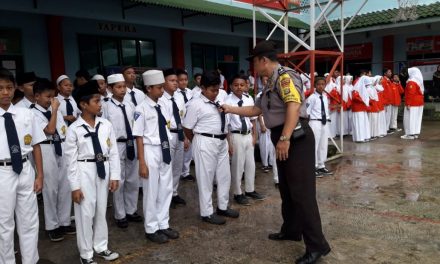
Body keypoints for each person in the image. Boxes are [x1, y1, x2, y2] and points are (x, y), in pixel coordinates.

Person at [222, 41, 330, 264]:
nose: (253, 67)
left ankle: (317, 246)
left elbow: (293, 106)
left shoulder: (285, 77)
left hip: (295, 138)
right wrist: (230, 108)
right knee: (287, 189)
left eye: (254, 61)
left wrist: (284, 138)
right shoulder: (269, 83)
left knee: (302, 194)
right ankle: (291, 230)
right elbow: (256, 109)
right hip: (284, 136)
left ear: (263, 60)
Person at [64, 80, 120, 263]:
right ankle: (86, 254)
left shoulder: (106, 125)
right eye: (96, 101)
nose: (100, 104)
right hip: (84, 170)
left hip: (102, 168)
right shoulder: (74, 130)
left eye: (100, 100)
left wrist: (114, 176)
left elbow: (113, 152)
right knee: (85, 214)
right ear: (83, 104)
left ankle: (101, 246)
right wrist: (75, 186)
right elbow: (70, 161)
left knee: (101, 210)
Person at [0, 68, 45, 264]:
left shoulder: (26, 114)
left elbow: (36, 146)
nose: (5, 92)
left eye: (9, 87)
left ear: (14, 89)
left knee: (29, 221)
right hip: (2, 172)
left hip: (26, 169)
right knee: (5, 224)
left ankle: (30, 260)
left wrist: (40, 175)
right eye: (0, 88)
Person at [183, 70, 239, 225]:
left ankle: (222, 206)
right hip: (204, 141)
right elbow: (187, 127)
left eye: (217, 89)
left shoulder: (219, 99)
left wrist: (228, 142)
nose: (216, 93)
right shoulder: (195, 104)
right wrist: (197, 141)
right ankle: (207, 212)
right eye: (212, 90)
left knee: (224, 176)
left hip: (221, 141)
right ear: (203, 88)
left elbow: (226, 123)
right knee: (205, 178)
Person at [133, 70, 179, 244]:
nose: (162, 90)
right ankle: (151, 228)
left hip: (164, 149)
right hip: (149, 149)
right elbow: (138, 136)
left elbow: (166, 127)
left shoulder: (164, 105)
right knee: (151, 191)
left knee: (166, 188)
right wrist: (142, 162)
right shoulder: (141, 109)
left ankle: (163, 223)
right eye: (159, 87)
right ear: (148, 88)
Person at [31, 79, 75, 242]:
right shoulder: (33, 113)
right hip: (45, 148)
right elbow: (49, 130)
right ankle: (52, 225)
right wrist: (55, 110)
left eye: (53, 96)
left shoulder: (53, 109)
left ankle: (64, 222)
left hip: (61, 147)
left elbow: (62, 131)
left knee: (64, 187)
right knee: (51, 189)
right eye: (48, 96)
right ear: (37, 96)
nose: (51, 100)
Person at [102, 74, 141, 229]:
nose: (122, 89)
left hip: (131, 143)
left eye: (124, 86)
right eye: (118, 87)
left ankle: (131, 210)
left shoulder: (130, 104)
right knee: (119, 179)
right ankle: (120, 214)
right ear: (110, 89)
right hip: (116, 145)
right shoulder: (106, 106)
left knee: (132, 179)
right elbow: (103, 128)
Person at [225, 74, 264, 206]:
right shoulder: (227, 101)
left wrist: (255, 135)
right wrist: (229, 143)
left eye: (242, 85)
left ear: (246, 86)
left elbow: (253, 119)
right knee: (237, 166)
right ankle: (237, 193)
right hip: (236, 135)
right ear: (231, 86)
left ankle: (250, 189)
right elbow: (227, 125)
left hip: (248, 135)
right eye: (236, 85)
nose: (239, 87)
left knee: (250, 164)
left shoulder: (249, 99)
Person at [158, 68, 188, 207]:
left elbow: (183, 117)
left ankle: (174, 193)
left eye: (176, 81)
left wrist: (185, 136)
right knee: (167, 168)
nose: (175, 83)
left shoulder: (179, 97)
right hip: (167, 134)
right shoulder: (160, 98)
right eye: (171, 81)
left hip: (179, 133)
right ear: (163, 82)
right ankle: (165, 196)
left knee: (177, 166)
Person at [307, 77, 333, 178]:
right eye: (318, 84)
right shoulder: (312, 98)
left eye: (323, 84)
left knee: (323, 144)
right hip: (315, 122)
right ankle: (313, 166)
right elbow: (307, 112)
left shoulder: (325, 97)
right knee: (314, 145)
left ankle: (321, 165)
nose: (321, 86)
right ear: (315, 86)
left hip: (324, 122)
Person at [176, 69, 195, 182]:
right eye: (181, 80)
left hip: (191, 123)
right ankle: (178, 173)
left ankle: (186, 172)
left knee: (189, 150)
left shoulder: (190, 92)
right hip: (181, 123)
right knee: (182, 149)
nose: (183, 82)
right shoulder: (176, 94)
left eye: (185, 80)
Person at [401, 67, 424, 140]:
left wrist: (408, 103)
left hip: (413, 103)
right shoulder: (419, 81)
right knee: (416, 118)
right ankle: (415, 133)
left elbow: (411, 93)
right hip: (419, 103)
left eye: (408, 73)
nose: (407, 74)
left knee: (409, 118)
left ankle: (410, 134)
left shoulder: (411, 82)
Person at [351, 76, 371, 143]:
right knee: (359, 123)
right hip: (357, 109)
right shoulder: (355, 89)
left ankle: (365, 136)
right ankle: (359, 138)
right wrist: (363, 100)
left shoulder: (363, 89)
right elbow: (354, 97)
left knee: (364, 123)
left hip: (363, 108)